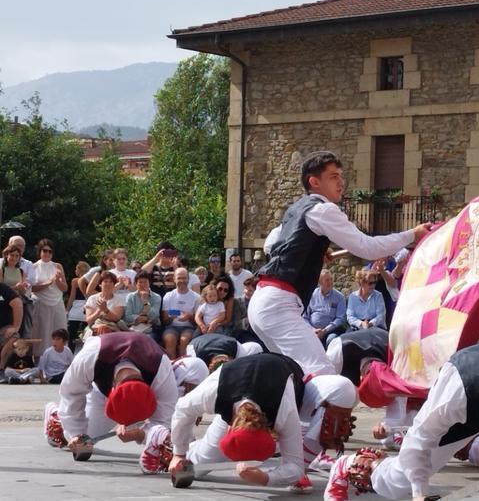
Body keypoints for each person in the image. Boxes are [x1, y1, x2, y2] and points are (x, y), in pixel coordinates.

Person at [324, 341, 479, 501]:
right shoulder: (454, 396)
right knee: (399, 483)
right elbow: (419, 440)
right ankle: (348, 466)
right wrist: (419, 492)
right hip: (465, 381)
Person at [254, 151, 428, 378]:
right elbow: (368, 247)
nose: (341, 182)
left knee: (293, 375)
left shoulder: (296, 210)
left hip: (263, 302)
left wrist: (313, 251)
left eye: (340, 176)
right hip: (278, 306)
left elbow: (271, 246)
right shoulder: (324, 209)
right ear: (314, 182)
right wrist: (411, 235)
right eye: (334, 176)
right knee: (322, 374)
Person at [168, 352, 359, 493]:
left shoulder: (285, 410)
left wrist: (266, 478)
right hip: (241, 383)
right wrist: (178, 453)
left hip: (293, 380)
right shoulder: (214, 392)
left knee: (342, 390)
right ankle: (164, 444)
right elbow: (182, 409)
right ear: (230, 428)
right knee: (199, 466)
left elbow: (296, 467)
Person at [45, 331, 178, 474]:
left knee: (88, 439)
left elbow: (163, 422)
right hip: (99, 389)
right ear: (112, 389)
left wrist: (141, 434)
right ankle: (55, 416)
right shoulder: (91, 356)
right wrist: (75, 433)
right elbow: (71, 393)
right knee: (82, 440)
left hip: (133, 388)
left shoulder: (160, 371)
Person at [29, 238, 68, 356]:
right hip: (40, 302)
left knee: (59, 331)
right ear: (40, 252)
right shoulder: (33, 267)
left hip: (57, 302)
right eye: (45, 251)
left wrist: (58, 281)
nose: (47, 254)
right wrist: (48, 283)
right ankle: (39, 362)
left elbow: (65, 288)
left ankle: (60, 359)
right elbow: (32, 288)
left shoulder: (58, 266)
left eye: (50, 251)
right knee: (41, 333)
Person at [161, 268, 201, 358]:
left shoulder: (196, 297)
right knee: (170, 339)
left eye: (184, 278)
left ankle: (183, 367)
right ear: (174, 279)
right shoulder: (168, 296)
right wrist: (171, 317)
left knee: (184, 340)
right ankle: (171, 366)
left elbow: (197, 322)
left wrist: (189, 317)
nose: (182, 280)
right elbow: (165, 321)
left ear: (188, 279)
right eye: (179, 278)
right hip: (171, 327)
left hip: (189, 327)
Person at [304, 269, 348, 348]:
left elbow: (340, 318)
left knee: (331, 340)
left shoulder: (339, 297)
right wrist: (312, 330)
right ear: (320, 283)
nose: (330, 282)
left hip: (331, 331)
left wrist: (325, 330)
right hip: (312, 331)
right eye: (327, 280)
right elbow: (305, 317)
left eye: (331, 279)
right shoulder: (311, 295)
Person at [84, 271, 127, 337]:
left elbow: (117, 318)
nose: (108, 284)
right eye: (105, 281)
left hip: (112, 328)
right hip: (95, 327)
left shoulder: (119, 299)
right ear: (100, 284)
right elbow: (89, 320)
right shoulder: (92, 299)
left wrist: (106, 310)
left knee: (104, 329)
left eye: (111, 282)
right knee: (102, 329)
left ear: (114, 284)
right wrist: (99, 310)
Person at [66, 260, 92, 344]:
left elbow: (72, 297)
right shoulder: (91, 281)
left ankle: (71, 353)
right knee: (87, 336)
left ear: (80, 270)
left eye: (76, 269)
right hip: (87, 308)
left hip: (75, 310)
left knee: (71, 336)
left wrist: (67, 310)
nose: (75, 271)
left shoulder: (75, 281)